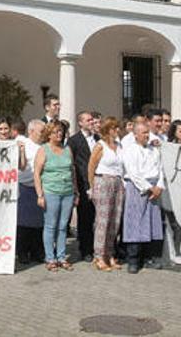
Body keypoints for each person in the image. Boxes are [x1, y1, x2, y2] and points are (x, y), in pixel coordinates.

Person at [120, 122, 165, 273]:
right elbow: (133, 172)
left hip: (154, 188)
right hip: (138, 188)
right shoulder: (130, 150)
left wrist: (159, 186)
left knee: (152, 224)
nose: (146, 135)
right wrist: (148, 187)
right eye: (143, 133)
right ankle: (133, 259)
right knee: (135, 223)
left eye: (148, 132)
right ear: (136, 135)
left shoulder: (155, 150)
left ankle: (149, 257)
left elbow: (161, 169)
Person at [33, 121, 78, 272]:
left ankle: (61, 256)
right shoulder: (43, 150)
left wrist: (76, 191)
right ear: (49, 134)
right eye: (56, 132)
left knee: (63, 226)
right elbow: (37, 174)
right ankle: (50, 258)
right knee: (50, 226)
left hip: (67, 192)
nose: (59, 134)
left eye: (61, 132)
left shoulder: (67, 149)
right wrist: (40, 195)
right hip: (50, 191)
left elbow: (72, 171)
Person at [87, 117, 125, 271]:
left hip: (117, 182)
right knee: (103, 221)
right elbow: (91, 167)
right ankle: (99, 255)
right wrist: (91, 187)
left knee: (115, 220)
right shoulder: (100, 146)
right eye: (114, 128)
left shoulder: (119, 145)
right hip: (103, 181)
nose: (117, 130)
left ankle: (110, 253)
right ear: (108, 129)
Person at [67, 111, 99, 262]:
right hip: (83, 184)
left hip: (99, 183)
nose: (91, 122)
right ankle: (85, 249)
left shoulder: (98, 139)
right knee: (85, 218)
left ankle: (98, 247)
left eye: (92, 119)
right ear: (80, 123)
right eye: (88, 120)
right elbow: (71, 163)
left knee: (98, 218)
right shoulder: (74, 141)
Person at [16, 120, 46, 263]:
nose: (43, 134)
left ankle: (36, 251)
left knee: (38, 223)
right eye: (41, 131)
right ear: (31, 131)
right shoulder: (23, 143)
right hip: (24, 187)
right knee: (23, 224)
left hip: (40, 188)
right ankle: (22, 252)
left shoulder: (44, 146)